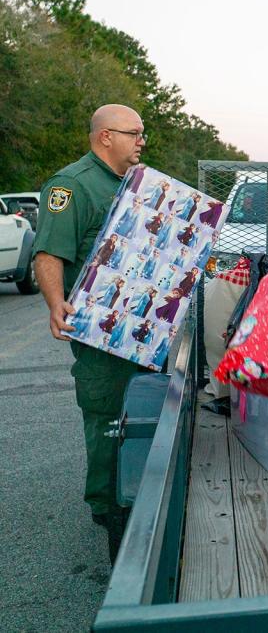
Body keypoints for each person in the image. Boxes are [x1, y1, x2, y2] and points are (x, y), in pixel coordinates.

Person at [33, 103, 149, 562]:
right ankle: (107, 507)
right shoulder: (71, 186)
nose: (142, 140)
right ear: (105, 136)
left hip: (136, 324)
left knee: (137, 408)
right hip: (99, 328)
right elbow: (49, 252)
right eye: (134, 132)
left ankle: (133, 492)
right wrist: (55, 304)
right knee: (105, 412)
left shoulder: (131, 183)